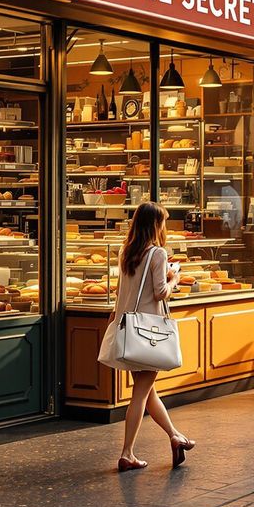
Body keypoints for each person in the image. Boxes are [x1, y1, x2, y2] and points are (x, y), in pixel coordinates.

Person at [111, 202, 195, 471]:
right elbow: (160, 292)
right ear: (155, 225)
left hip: (129, 331)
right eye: (163, 222)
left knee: (148, 392)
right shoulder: (157, 253)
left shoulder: (127, 252)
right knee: (141, 394)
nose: (165, 227)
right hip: (151, 335)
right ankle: (127, 453)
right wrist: (174, 279)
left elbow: (118, 293)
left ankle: (175, 437)